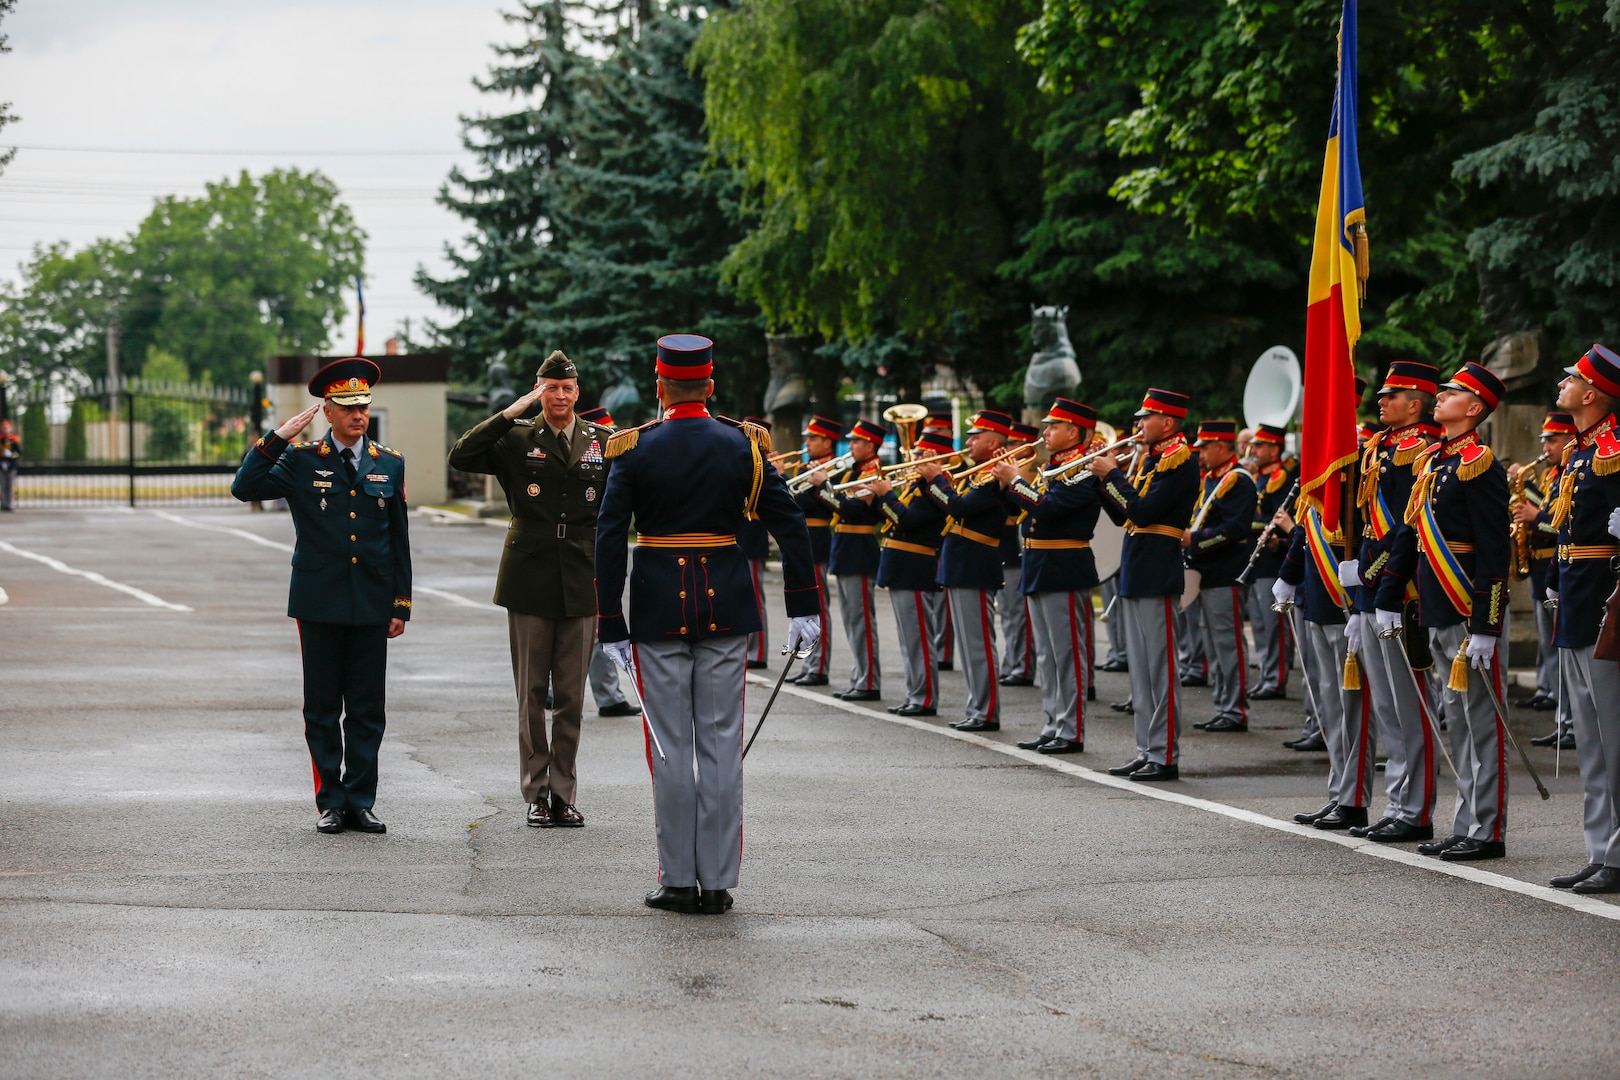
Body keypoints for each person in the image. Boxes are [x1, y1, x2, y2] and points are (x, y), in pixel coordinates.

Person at [594, 334, 821, 916]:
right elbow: (789, 522)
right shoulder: (742, 444)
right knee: (721, 746)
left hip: (656, 609)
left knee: (669, 750)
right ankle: (717, 882)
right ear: (711, 385)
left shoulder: (634, 447)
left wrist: (610, 620)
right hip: (725, 610)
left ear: (660, 384)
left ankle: (677, 880)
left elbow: (608, 538)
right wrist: (802, 604)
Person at [231, 357, 412, 835]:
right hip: (319, 600)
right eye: (347, 407)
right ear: (327, 412)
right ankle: (330, 801)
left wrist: (401, 603)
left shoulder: (388, 463)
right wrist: (277, 438)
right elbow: (243, 488)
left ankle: (361, 800)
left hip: (373, 602)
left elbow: (398, 539)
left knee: (368, 709)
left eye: (364, 407)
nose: (358, 415)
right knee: (323, 708)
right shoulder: (303, 459)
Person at [449, 350, 610, 829]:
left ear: (577, 393)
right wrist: (509, 413)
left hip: (581, 575)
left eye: (566, 388)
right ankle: (536, 792)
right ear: (538, 391)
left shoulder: (602, 440)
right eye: (549, 388)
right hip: (529, 574)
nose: (558, 396)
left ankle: (564, 793)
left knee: (573, 698)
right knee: (531, 693)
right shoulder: (517, 437)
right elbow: (462, 455)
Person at [1375, 361, 1511, 862]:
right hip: (1436, 603)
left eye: (1452, 392)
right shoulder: (1436, 460)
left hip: (1467, 605)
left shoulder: (1480, 464)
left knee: (1480, 721)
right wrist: (1389, 596)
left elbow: (1495, 552)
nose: (1442, 397)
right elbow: (1411, 535)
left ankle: (1487, 830)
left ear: (1473, 408)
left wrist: (1488, 624)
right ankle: (1467, 822)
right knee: (1457, 719)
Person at [1341, 361, 1439, 842]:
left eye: (1391, 396)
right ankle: (1400, 801)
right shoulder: (1380, 447)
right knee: (1388, 707)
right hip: (1374, 588)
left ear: (1416, 403)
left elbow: (1405, 527)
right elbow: (1365, 524)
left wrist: (1374, 579)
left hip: (1402, 588)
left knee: (1409, 704)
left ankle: (1417, 808)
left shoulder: (1420, 448)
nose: (1380, 402)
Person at [1090, 389, 1200, 781]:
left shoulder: (1180, 460)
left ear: (1167, 423)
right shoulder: (1151, 458)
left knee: (1160, 667)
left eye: (1145, 418)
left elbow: (1145, 510)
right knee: (1140, 669)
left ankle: (1165, 754)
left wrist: (1113, 475)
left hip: (1157, 567)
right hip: (1138, 567)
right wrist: (1100, 482)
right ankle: (1146, 748)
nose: (1137, 425)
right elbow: (1124, 516)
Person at [1545, 344, 1620, 893]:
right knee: (1591, 741)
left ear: (1592, 393)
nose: (1562, 384)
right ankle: (1602, 851)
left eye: (1570, 379)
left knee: (1614, 737)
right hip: (1574, 597)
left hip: (1604, 599)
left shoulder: (1615, 450)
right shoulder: (1577, 452)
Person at [995, 397, 1102, 754]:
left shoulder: (1083, 469)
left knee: (1067, 653)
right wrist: (1010, 482)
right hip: (1040, 564)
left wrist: (1015, 482)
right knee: (1047, 654)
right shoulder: (1052, 467)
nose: (1046, 432)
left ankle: (1071, 730)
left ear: (1074, 432)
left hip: (1065, 567)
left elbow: (1049, 508)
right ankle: (1054, 723)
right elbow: (1023, 507)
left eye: (1053, 426)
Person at [916, 410, 1016, 732]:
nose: (969, 441)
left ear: (994, 442)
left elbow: (958, 507)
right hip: (961, 563)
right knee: (968, 643)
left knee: (978, 643)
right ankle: (977, 707)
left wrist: (935, 478)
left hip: (975, 563)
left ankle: (986, 711)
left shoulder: (993, 477)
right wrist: (930, 479)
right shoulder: (979, 473)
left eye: (975, 437)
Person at [868, 428, 957, 717]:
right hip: (901, 569)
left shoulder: (935, 489)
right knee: (909, 640)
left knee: (918, 639)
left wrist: (886, 495)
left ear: (936, 458)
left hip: (915, 571)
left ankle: (924, 697)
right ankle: (915, 693)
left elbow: (906, 521)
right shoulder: (917, 487)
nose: (914, 458)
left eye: (921, 454)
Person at [803, 418, 887, 701]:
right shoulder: (853, 472)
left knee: (862, 621)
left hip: (859, 550)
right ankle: (860, 677)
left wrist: (824, 485)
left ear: (870, 445)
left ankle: (869, 682)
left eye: (855, 442)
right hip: (845, 548)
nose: (849, 446)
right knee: (853, 621)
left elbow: (852, 510)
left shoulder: (872, 472)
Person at [1184, 420, 1257, 734]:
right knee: (1213, 645)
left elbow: (1235, 529)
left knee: (1228, 643)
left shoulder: (1238, 481)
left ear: (1221, 446)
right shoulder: (1213, 479)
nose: (1200, 454)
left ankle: (1235, 709)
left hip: (1225, 572)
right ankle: (1223, 705)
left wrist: (1195, 540)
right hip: (1207, 571)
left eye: (1205, 447)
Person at [1513, 411, 1575, 735]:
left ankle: (1568, 719)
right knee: (1550, 647)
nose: (1547, 447)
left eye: (1553, 440)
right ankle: (1561, 715)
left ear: (1568, 439)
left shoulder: (1571, 473)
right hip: (1542, 569)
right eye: (1545, 441)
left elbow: (1561, 523)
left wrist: (1534, 515)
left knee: (1562, 650)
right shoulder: (1552, 475)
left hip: (1560, 565)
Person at [577, 406, 640, 718]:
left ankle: (609, 696)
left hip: (599, 550)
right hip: (579, 549)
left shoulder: (616, 462)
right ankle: (550, 689)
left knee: (600, 620)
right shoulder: (586, 461)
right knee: (568, 625)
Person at [790, 415, 843, 687]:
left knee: (818, 608)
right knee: (804, 608)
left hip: (818, 540)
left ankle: (819, 666)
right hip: (802, 541)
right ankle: (809, 662)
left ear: (826, 441)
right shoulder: (804, 468)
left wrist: (821, 483)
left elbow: (834, 505)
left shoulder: (835, 471)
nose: (807, 443)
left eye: (812, 438)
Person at [1246, 424, 1293, 703]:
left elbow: (1278, 517)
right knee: (1261, 625)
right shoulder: (1259, 476)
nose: (1254, 451)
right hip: (1256, 559)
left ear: (1274, 449)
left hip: (1273, 558)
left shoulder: (1281, 477)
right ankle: (1266, 674)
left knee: (1274, 625)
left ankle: (1276, 679)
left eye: (1260, 446)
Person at [997, 420, 1039, 687]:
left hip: (1016, 548)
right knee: (1008, 613)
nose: (1007, 447)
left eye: (1013, 443)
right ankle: (1012, 660)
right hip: (1003, 545)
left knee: (1017, 612)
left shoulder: (1030, 471)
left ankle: (1023, 665)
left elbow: (1019, 506)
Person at [740, 415, 776, 670]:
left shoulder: (762, 465)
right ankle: (746, 648)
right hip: (739, 537)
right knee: (741, 597)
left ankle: (759, 650)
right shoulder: (744, 461)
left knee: (754, 597)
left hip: (752, 538)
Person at [923, 409, 957, 671]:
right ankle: (938, 649)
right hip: (934, 544)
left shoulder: (956, 469)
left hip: (940, 539)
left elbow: (953, 504)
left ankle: (943, 652)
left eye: (935, 433)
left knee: (943, 604)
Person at [0, 415, 19, 512]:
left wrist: (11, 455)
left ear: (10, 428)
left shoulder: (14, 440)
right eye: (3, 427)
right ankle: (4, 504)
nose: (5, 429)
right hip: (1, 465)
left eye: (6, 427)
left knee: (10, 487)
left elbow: (18, 453)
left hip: (11, 466)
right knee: (3, 486)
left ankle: (10, 505)